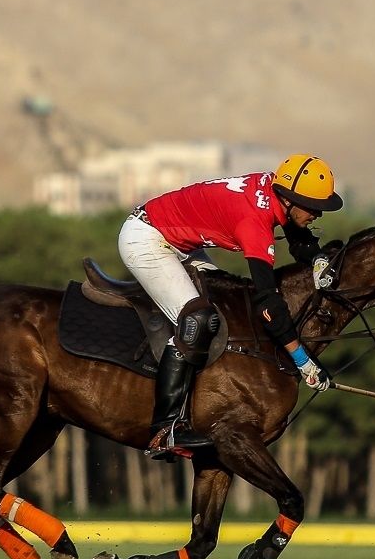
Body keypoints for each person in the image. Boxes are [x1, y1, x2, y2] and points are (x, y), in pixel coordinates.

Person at [117, 154, 343, 455]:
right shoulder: (255, 221)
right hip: (146, 239)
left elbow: (297, 235)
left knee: (231, 303)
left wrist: (317, 259)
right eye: (315, 208)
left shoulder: (274, 190)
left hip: (177, 241)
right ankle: (165, 431)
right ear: (290, 200)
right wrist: (302, 360)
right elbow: (269, 306)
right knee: (197, 319)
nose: (319, 214)